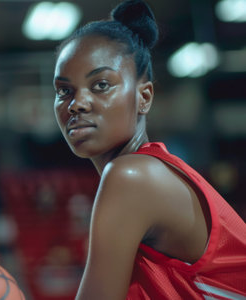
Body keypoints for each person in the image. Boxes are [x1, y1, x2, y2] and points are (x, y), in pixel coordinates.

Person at [52, 0, 246, 299]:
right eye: (64, 90)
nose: (76, 103)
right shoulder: (152, 169)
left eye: (101, 85)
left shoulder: (131, 176)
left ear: (144, 97)